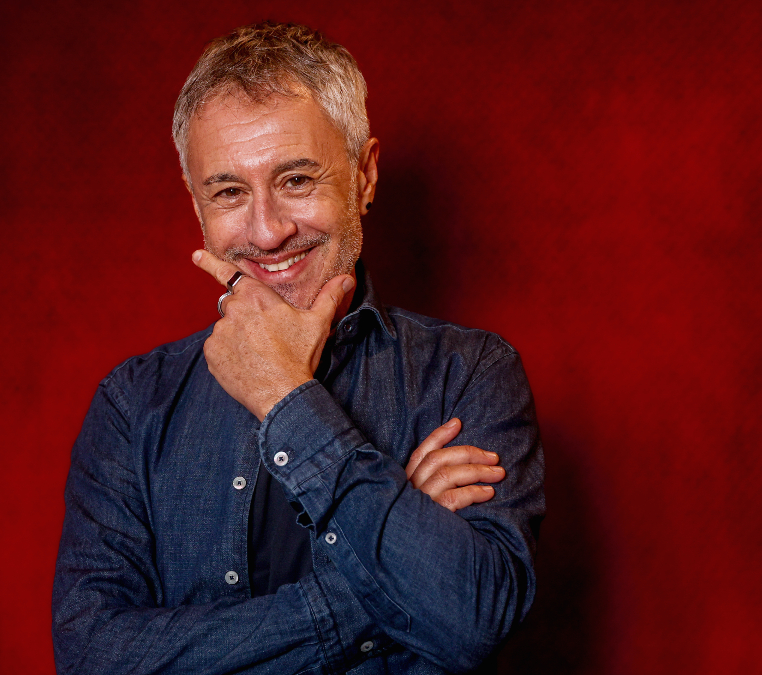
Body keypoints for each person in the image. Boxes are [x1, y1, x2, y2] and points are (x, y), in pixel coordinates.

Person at [52, 21, 545, 674]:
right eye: (229, 192)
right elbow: (93, 658)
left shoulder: (469, 374)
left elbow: (472, 619)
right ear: (197, 205)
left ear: (364, 176)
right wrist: (386, 561)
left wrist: (284, 396)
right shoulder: (132, 403)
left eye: (296, 180)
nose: (267, 232)